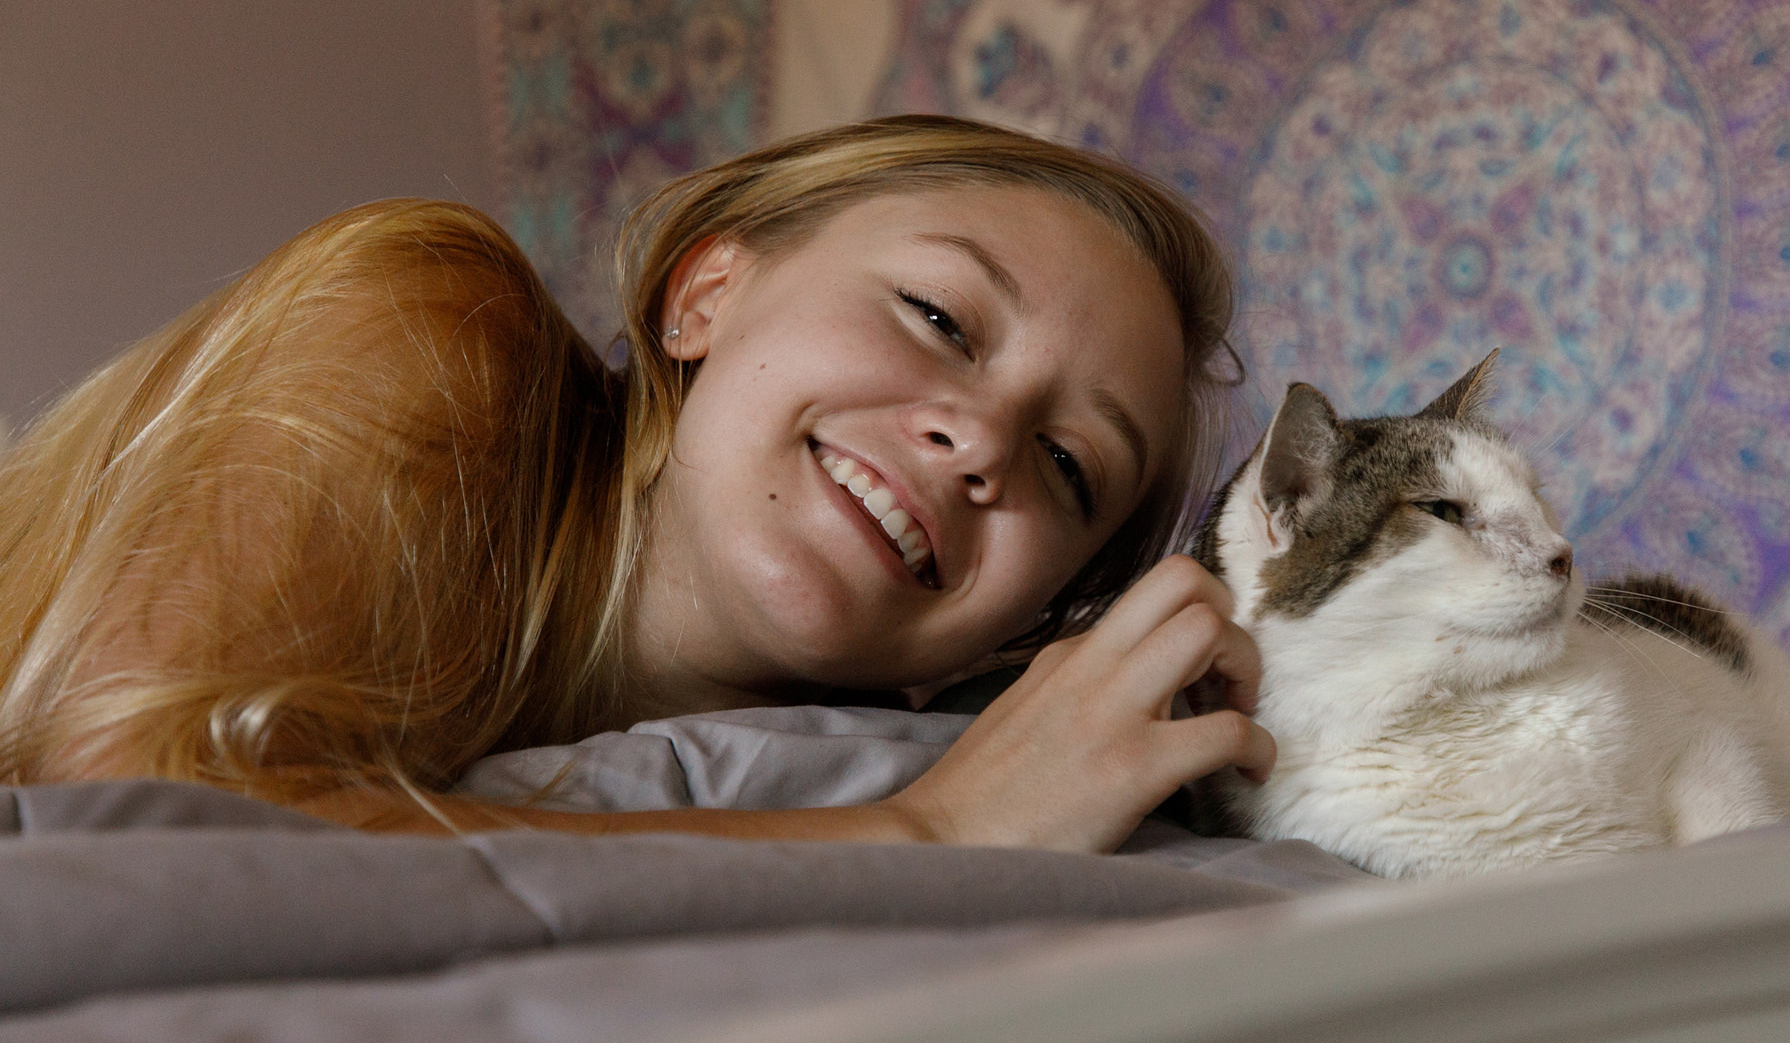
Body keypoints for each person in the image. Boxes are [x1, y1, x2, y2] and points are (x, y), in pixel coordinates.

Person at [0, 115, 1274, 850]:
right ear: (703, 295)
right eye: (938, 316)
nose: (982, 441)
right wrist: (926, 834)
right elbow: (131, 805)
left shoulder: (877, 756)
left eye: (1069, 465)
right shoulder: (433, 328)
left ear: (1024, 624)